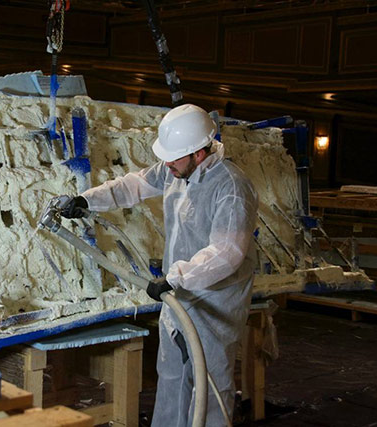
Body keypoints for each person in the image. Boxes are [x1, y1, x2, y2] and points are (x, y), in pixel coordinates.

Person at [60, 104, 258, 426]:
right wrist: (87, 199)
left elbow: (227, 252)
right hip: (178, 294)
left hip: (215, 298)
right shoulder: (177, 169)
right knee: (171, 374)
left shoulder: (231, 187)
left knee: (208, 381)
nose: (167, 164)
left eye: (174, 157)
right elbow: (134, 185)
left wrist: (176, 277)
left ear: (199, 152)